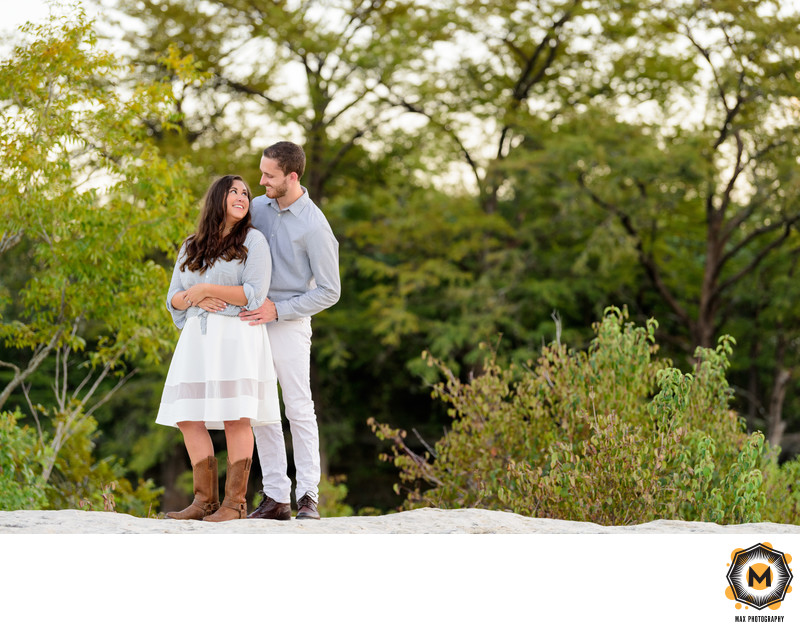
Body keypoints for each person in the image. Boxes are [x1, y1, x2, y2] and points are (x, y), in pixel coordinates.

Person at [156, 174, 281, 522]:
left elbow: (253, 292)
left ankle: (234, 504)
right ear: (217, 198)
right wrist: (194, 297)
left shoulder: (253, 241)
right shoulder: (191, 244)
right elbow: (173, 298)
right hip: (197, 340)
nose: (242, 197)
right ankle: (204, 501)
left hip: (236, 337)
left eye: (246, 193)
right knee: (187, 417)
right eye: (234, 192)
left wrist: (205, 290)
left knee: (235, 416)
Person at [239, 141, 340, 520]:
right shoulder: (258, 208)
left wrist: (278, 310)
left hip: (290, 323)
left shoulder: (315, 225)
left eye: (269, 175)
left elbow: (331, 290)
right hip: (250, 321)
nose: (260, 181)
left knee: (298, 408)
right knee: (260, 408)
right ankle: (277, 496)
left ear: (292, 177)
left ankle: (308, 497)